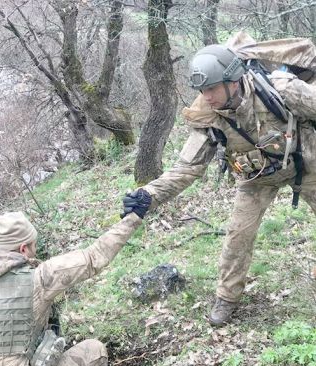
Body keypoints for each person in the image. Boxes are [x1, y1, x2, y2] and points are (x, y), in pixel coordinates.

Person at [123, 44, 316, 326]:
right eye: (203, 90)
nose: (207, 96)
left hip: (307, 165)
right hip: (257, 179)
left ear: (233, 81)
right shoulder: (208, 117)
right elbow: (187, 169)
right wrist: (147, 195)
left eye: (212, 88)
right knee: (237, 237)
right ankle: (227, 298)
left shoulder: (281, 90)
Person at [0, 190, 151, 366]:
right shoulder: (39, 279)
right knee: (95, 350)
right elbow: (94, 257)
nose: (35, 249)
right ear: (23, 248)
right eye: (33, 244)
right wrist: (132, 217)